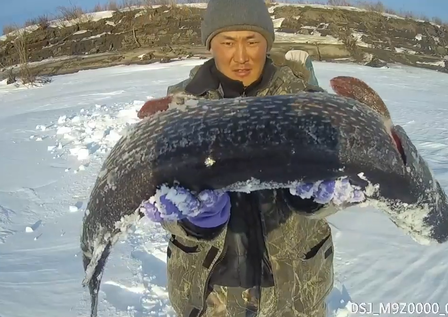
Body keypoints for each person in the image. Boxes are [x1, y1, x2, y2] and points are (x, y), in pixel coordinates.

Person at [138, 0, 365, 316]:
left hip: (294, 289)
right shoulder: (181, 108)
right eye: (228, 42)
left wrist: (315, 200)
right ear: (211, 45)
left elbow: (343, 187)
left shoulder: (304, 101)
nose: (241, 56)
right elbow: (162, 206)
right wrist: (193, 221)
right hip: (207, 293)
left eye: (252, 41)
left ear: (267, 43)